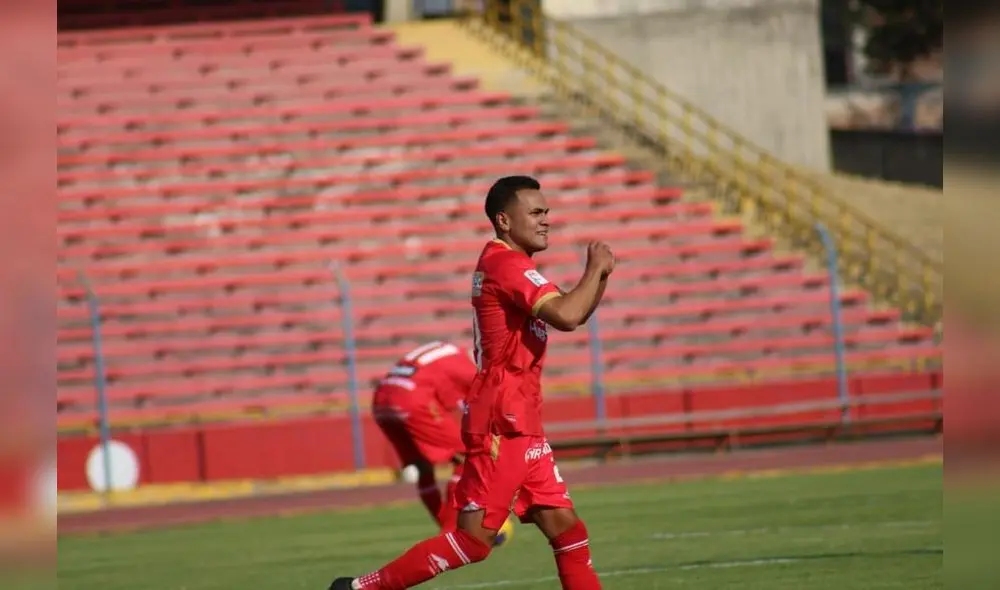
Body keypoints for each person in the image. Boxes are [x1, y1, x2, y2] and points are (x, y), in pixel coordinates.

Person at [329, 175, 616, 590]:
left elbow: (574, 309)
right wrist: (594, 268)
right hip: (502, 423)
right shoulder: (507, 266)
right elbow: (568, 316)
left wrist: (600, 278)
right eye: (535, 212)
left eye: (547, 212)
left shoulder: (513, 266)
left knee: (568, 531)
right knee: (473, 541)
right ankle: (359, 588)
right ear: (504, 220)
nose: (546, 220)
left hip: (522, 419)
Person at [371, 340, 473, 534]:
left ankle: (446, 528)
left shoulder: (447, 350)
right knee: (467, 458)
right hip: (411, 399)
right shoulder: (470, 369)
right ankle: (452, 531)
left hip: (381, 400)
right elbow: (473, 406)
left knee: (422, 466)